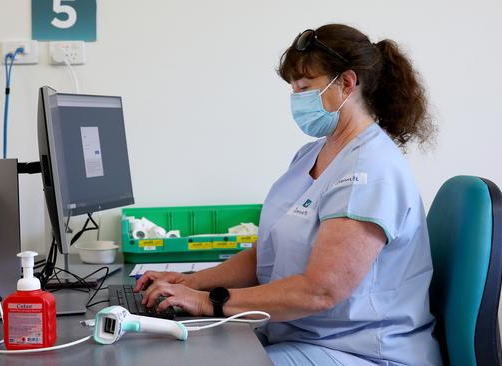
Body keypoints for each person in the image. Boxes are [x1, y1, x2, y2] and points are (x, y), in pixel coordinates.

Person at [134, 23, 442, 366]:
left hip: (359, 352)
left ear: (347, 82)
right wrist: (190, 283)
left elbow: (321, 290)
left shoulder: (370, 170)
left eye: (305, 86)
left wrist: (210, 302)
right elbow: (267, 252)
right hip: (298, 335)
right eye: (293, 87)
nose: (296, 96)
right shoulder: (311, 156)